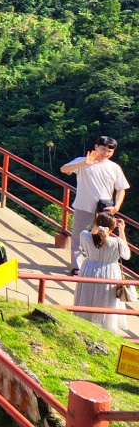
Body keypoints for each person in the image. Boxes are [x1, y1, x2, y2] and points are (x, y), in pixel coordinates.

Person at [61, 137, 127, 274]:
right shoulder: (82, 161)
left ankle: (97, 268)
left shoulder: (114, 168)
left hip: (105, 210)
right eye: (103, 149)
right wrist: (84, 163)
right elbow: (63, 169)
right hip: (83, 207)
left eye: (110, 151)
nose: (106, 153)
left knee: (102, 238)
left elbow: (121, 189)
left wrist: (117, 206)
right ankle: (77, 268)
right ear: (96, 147)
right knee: (78, 239)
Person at [74, 213, 131, 333]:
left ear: (96, 223)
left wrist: (97, 226)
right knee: (107, 301)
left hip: (89, 269)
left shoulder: (85, 236)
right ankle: (107, 328)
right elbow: (126, 255)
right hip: (110, 272)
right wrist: (121, 231)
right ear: (112, 228)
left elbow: (84, 244)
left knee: (87, 296)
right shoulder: (117, 242)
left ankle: (83, 325)